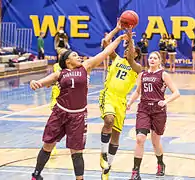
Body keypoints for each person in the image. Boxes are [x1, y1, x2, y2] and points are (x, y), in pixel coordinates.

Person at [30, 32, 129, 180]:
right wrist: (35, 82)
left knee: (76, 151)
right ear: (67, 60)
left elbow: (105, 52)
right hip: (60, 113)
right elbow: (44, 81)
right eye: (75, 55)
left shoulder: (85, 67)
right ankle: (36, 175)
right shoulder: (60, 73)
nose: (79, 57)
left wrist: (119, 39)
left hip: (78, 116)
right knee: (48, 145)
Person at [127, 51, 180, 179]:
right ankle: (135, 172)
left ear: (159, 61)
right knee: (140, 139)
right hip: (144, 109)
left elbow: (176, 92)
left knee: (155, 142)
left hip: (158, 110)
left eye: (155, 58)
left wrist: (165, 101)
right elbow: (137, 92)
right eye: (150, 57)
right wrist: (129, 103)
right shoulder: (142, 74)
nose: (152, 59)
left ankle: (160, 163)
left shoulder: (163, 74)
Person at [99, 24, 142, 180]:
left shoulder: (137, 67)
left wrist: (130, 39)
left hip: (121, 101)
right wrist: (117, 30)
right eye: (126, 48)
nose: (127, 51)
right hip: (109, 95)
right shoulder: (116, 58)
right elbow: (105, 42)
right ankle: (103, 154)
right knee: (108, 120)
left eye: (131, 50)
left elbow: (130, 57)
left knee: (116, 136)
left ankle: (107, 168)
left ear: (137, 54)